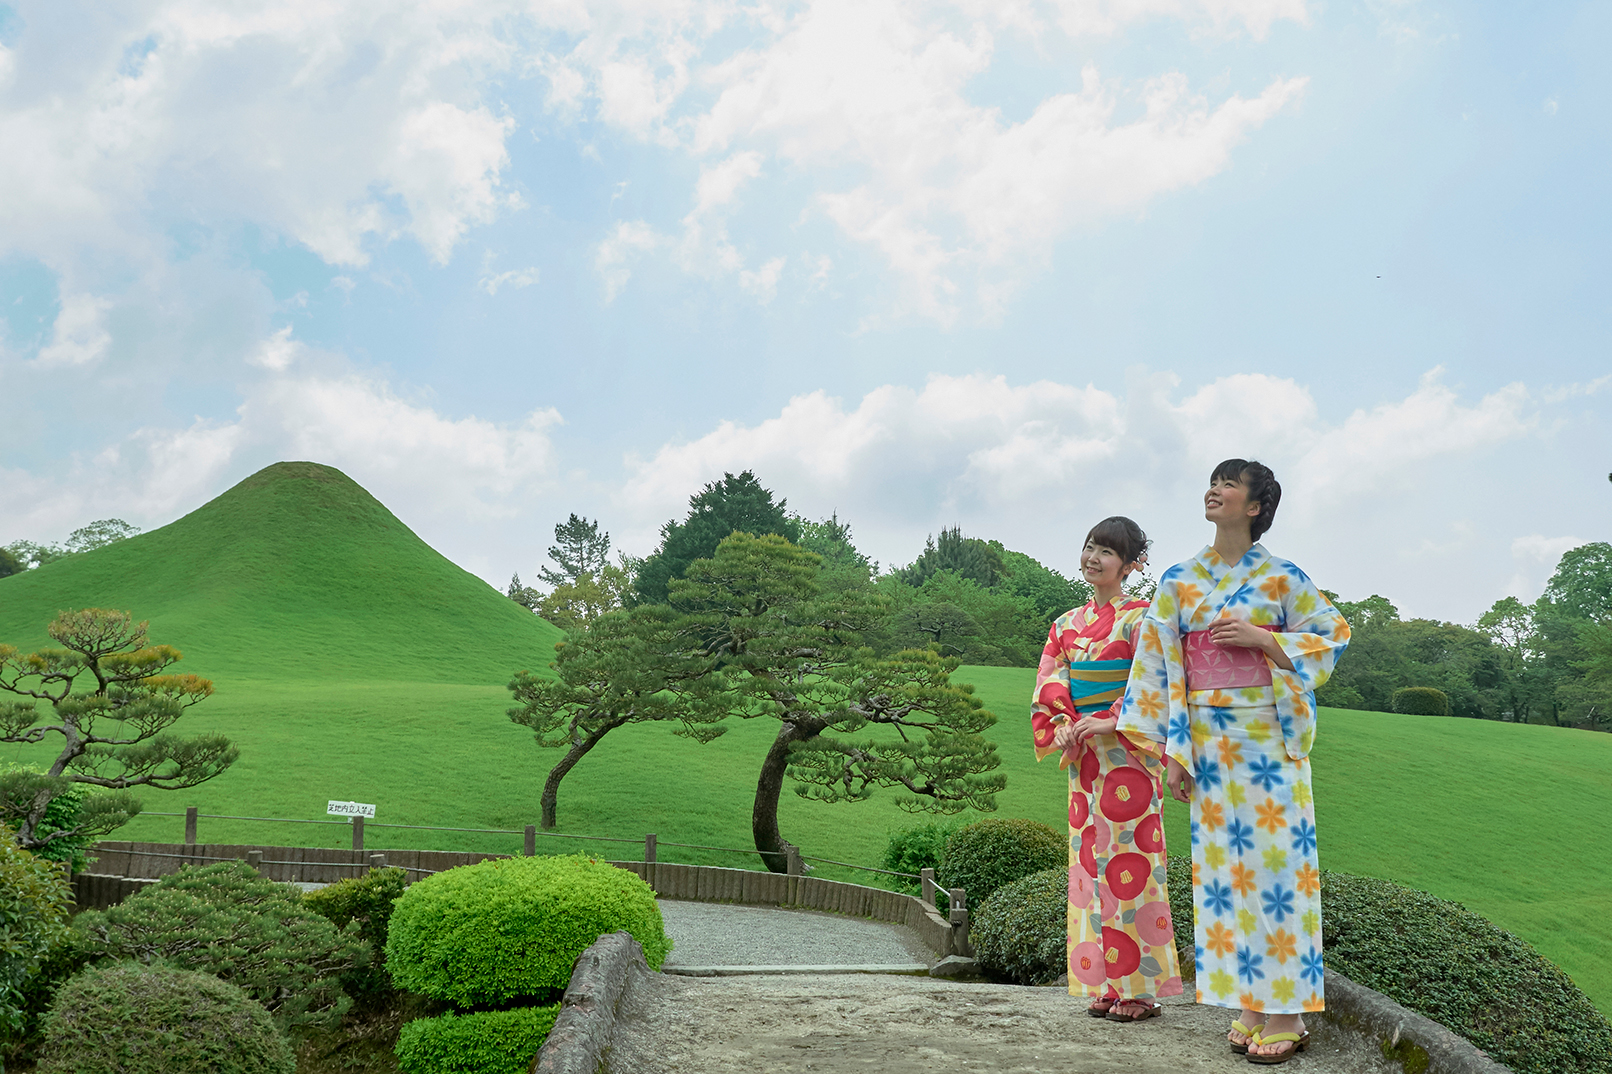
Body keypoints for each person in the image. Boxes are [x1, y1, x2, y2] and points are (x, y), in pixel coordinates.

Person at [1116, 460, 1351, 1065]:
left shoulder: (1281, 577)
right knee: (1226, 878)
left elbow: (1332, 633)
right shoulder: (1178, 580)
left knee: (1279, 877)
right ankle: (1251, 1002)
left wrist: (1266, 640)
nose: (1213, 489)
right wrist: (1173, 751)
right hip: (1208, 745)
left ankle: (1289, 1011)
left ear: (1256, 504)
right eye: (1212, 482)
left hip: (1268, 744)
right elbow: (1158, 668)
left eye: (1229, 483)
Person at [1031, 516, 1182, 1022]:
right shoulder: (1066, 623)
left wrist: (1108, 721)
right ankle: (1107, 982)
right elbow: (1051, 681)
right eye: (1090, 547)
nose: (1094, 558)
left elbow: (1152, 683)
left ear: (1132, 565)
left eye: (1108, 552)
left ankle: (1141, 988)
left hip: (1127, 757)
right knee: (1089, 869)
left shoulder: (1142, 619)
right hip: (1086, 758)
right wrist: (1069, 723)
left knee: (1131, 869)